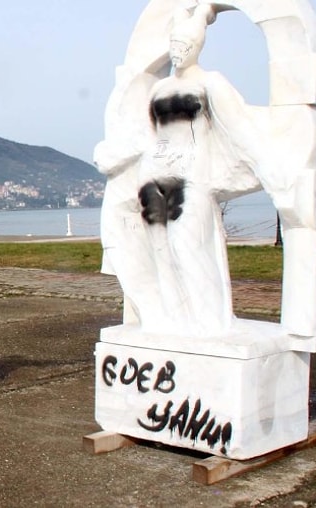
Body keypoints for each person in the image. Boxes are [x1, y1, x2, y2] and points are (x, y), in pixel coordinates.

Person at [94, 5, 264, 336]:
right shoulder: (157, 89)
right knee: (160, 249)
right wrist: (112, 154)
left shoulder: (211, 82)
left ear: (197, 46)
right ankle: (172, 319)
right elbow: (145, 134)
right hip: (153, 173)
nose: (177, 52)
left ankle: (208, 321)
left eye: (184, 45)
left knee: (189, 246)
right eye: (174, 45)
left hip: (191, 174)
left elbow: (238, 125)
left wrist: (262, 161)